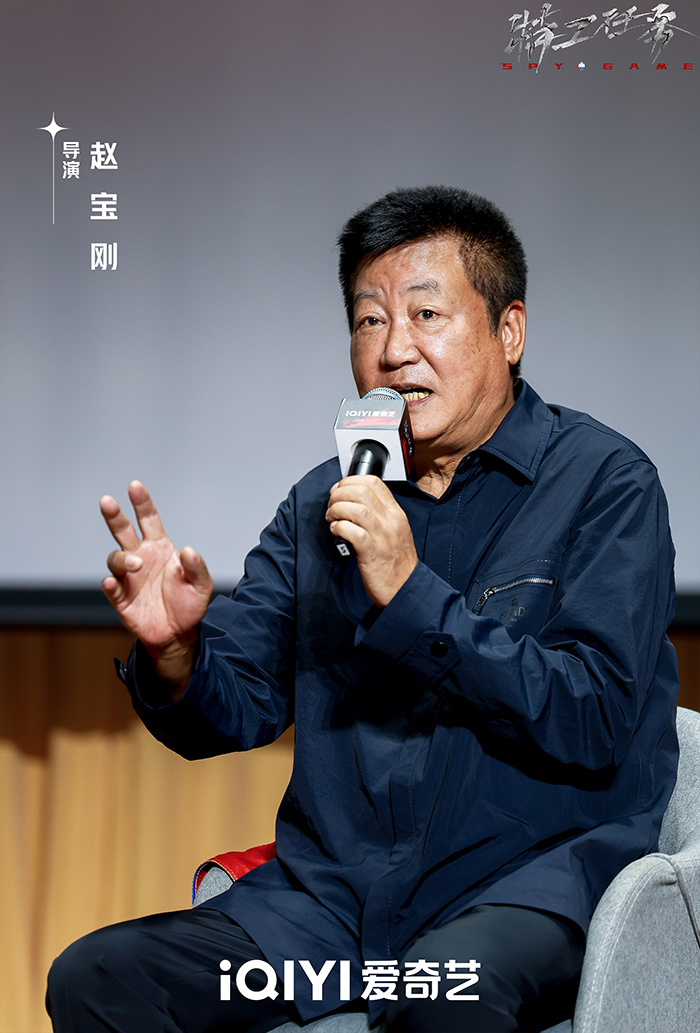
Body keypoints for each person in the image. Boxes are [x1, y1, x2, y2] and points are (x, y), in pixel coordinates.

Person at [47, 186, 679, 1033]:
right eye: (369, 320)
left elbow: (592, 715)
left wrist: (411, 593)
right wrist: (176, 653)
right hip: (331, 913)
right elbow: (235, 709)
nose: (393, 350)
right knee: (100, 979)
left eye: (426, 314)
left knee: (441, 993)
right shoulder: (327, 500)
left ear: (509, 331)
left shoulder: (606, 483)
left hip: (521, 885)